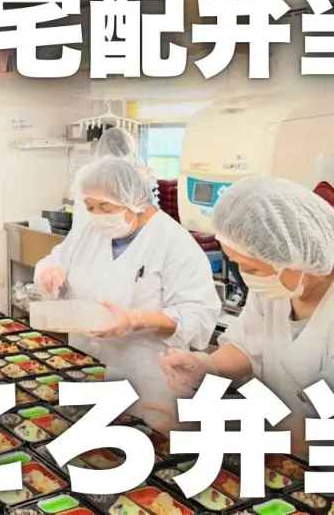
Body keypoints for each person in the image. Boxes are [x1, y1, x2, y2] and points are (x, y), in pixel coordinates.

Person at [158, 176, 334, 457]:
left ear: (298, 256)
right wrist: (207, 366)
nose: (246, 277)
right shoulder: (278, 285)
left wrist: (223, 425)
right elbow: (248, 345)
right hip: (280, 452)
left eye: (251, 268)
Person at [34, 156, 220, 415]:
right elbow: (54, 261)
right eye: (90, 207)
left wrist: (137, 321)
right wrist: (49, 273)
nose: (97, 215)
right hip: (85, 366)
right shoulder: (89, 231)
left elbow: (197, 317)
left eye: (105, 207)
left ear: (134, 201)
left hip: (146, 380)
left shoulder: (174, 243)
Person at [72, 127, 159, 228]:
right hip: (104, 229)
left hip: (82, 229)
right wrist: (142, 178)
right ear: (128, 150)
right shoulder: (122, 177)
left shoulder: (87, 172)